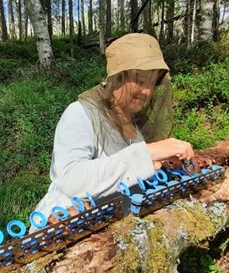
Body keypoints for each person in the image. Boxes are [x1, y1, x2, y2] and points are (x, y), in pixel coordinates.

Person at [32, 33, 194, 218]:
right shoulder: (79, 113)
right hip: (61, 231)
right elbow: (70, 180)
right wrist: (147, 153)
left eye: (152, 82)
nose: (147, 91)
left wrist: (160, 164)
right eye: (140, 81)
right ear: (117, 77)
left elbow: (125, 173)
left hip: (112, 233)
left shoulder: (133, 121)